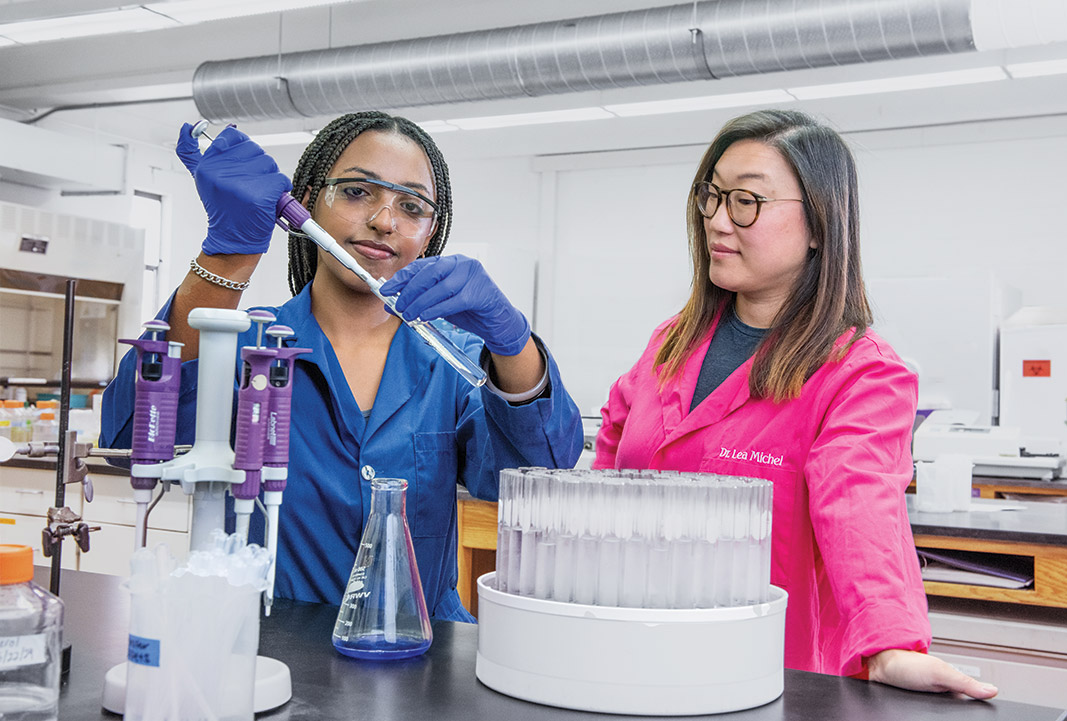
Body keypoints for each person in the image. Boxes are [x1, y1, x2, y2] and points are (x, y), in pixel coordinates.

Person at [101, 112, 583, 622]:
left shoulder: (455, 359)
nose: (384, 220)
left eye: (411, 205)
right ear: (306, 201)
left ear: (429, 232)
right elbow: (129, 441)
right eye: (357, 192)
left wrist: (513, 343)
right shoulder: (245, 346)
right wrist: (228, 256)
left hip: (421, 658)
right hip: (264, 647)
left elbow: (537, 481)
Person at [593, 109, 997, 698]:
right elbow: (608, 466)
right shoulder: (670, 343)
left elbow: (857, 501)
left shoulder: (862, 373)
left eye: (747, 201)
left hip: (766, 678)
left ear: (819, 226)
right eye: (712, 195)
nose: (717, 221)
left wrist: (890, 643)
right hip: (630, 655)